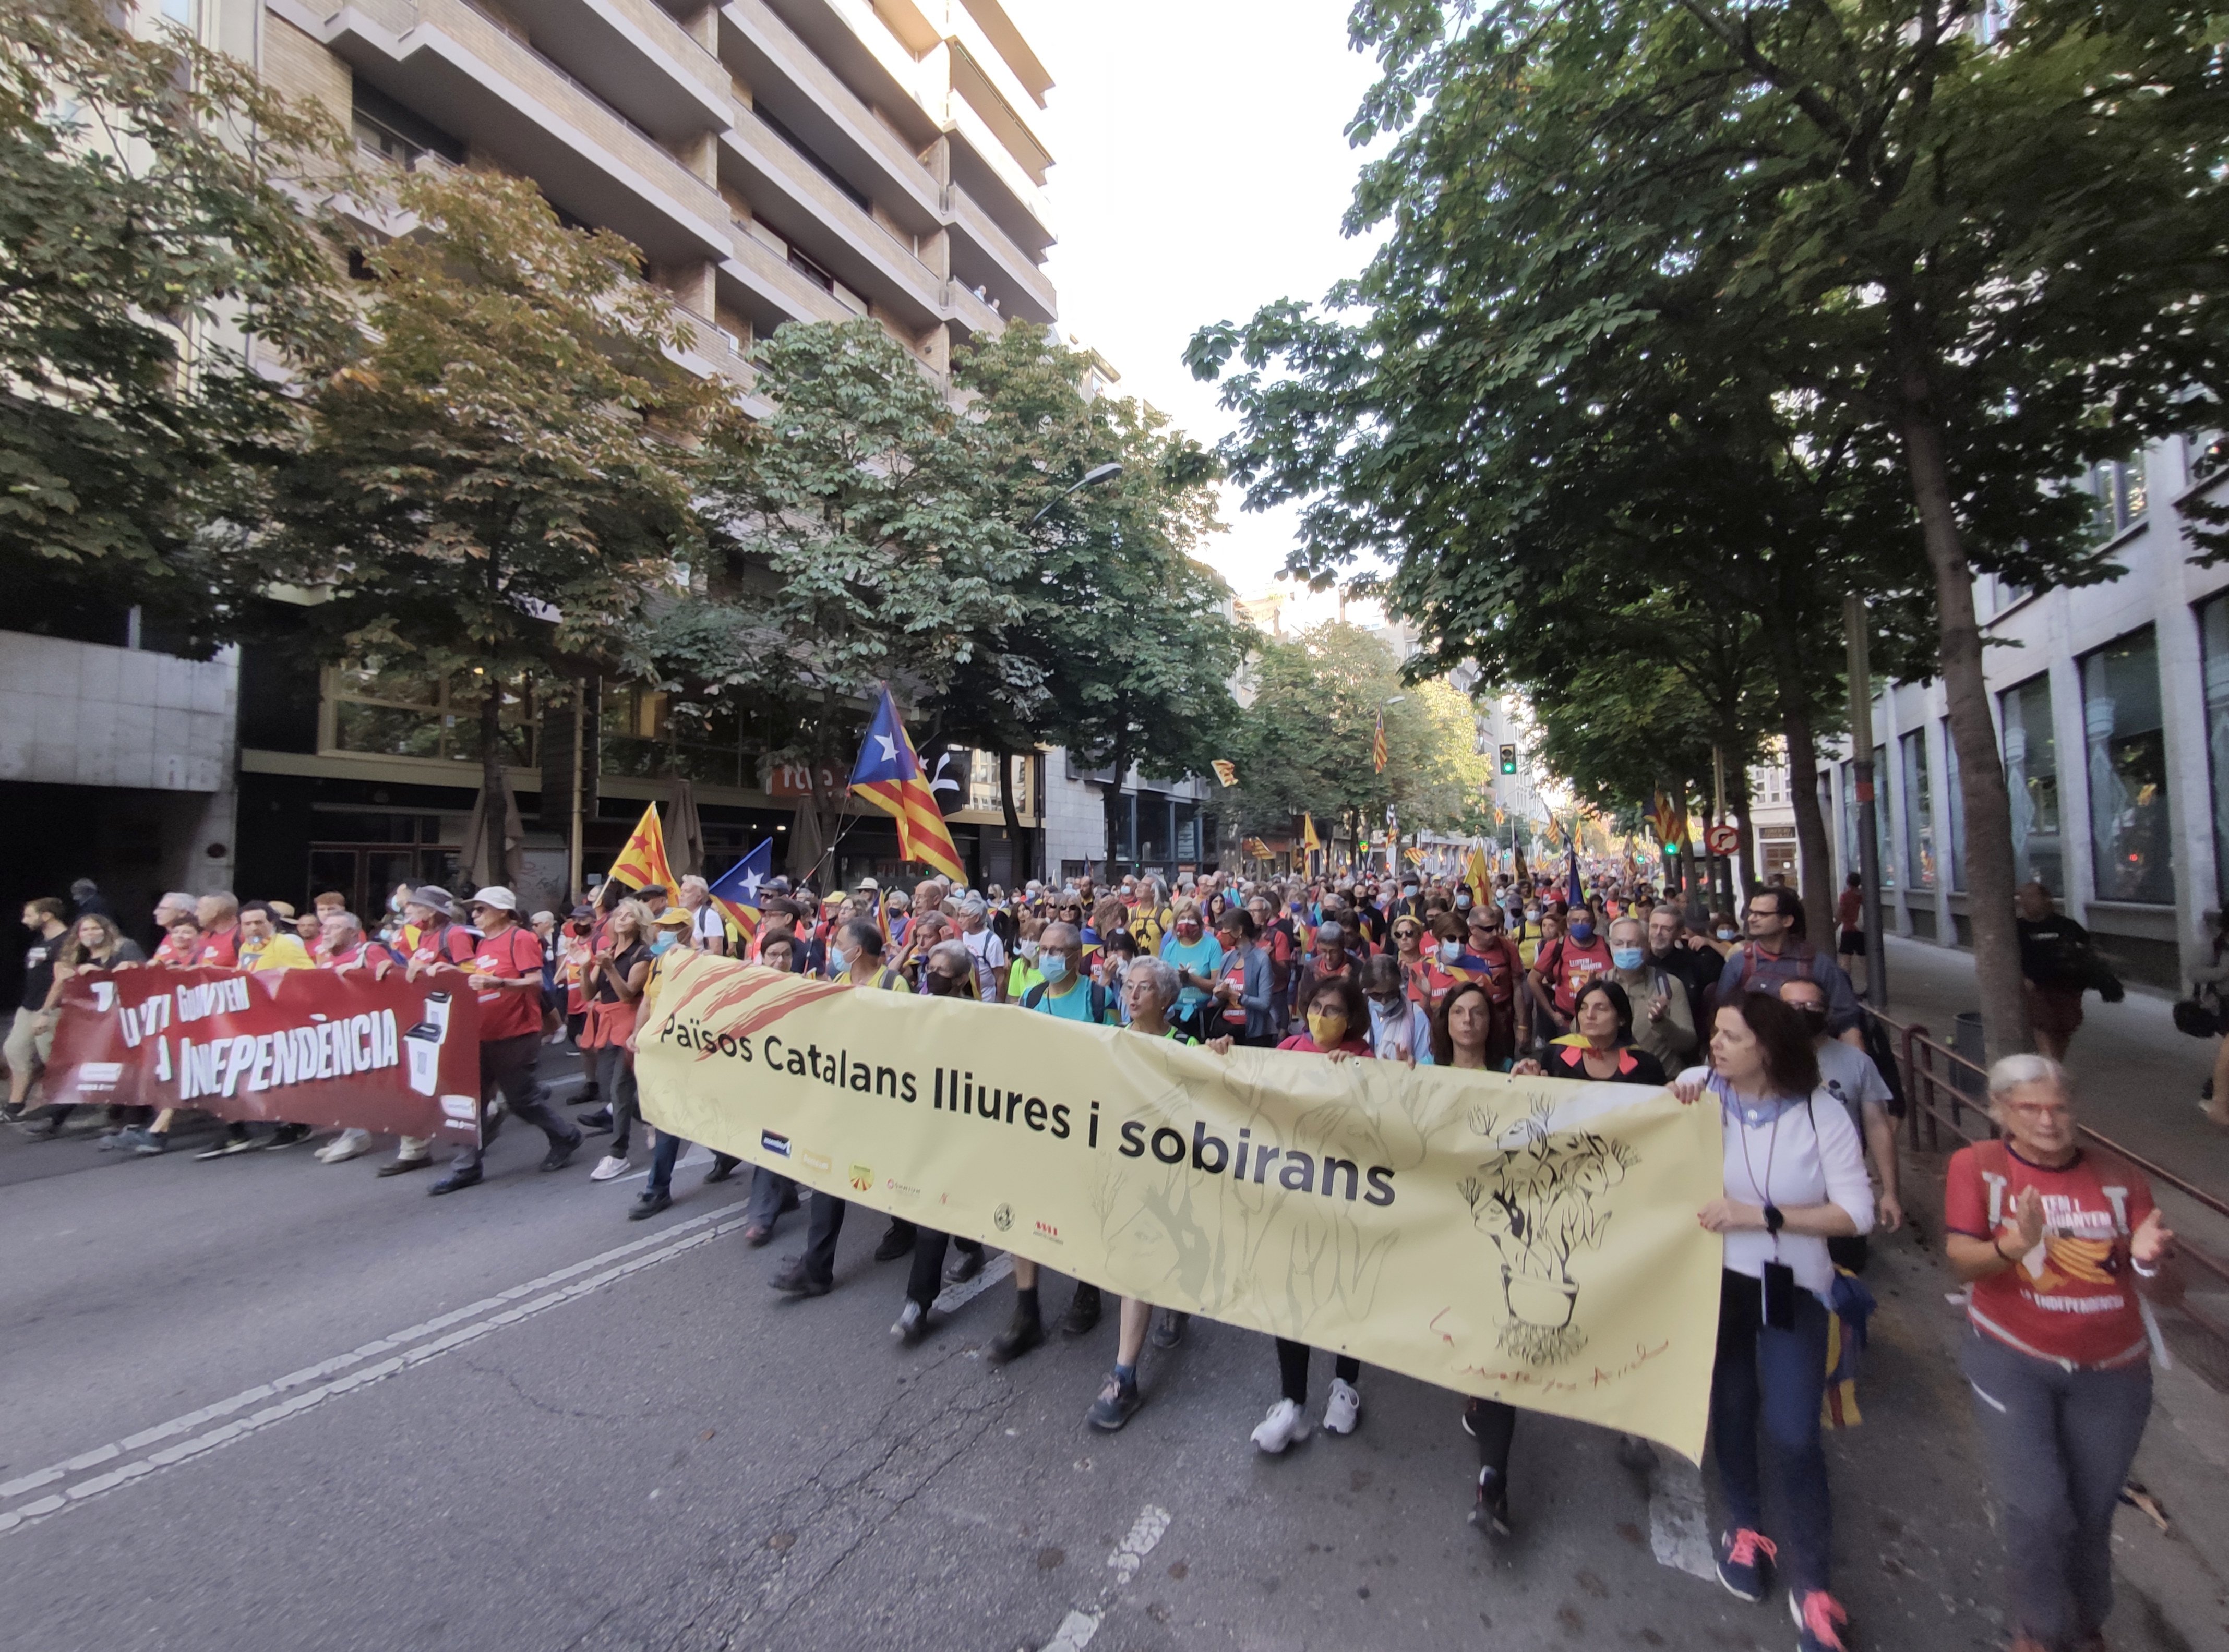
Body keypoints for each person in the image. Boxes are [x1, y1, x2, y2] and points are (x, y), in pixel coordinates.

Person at [1944, 1055, 2173, 1652]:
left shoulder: (2120, 1178)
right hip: (2012, 1357)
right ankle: (2041, 1630)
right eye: (2030, 1108)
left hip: (2114, 1371)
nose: (2048, 1119)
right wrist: (2015, 1244)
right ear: (2002, 1112)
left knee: (2092, 1510)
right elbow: (1962, 1259)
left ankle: (2087, 1621)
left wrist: (2148, 1257)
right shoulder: (1979, 1166)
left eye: (2060, 1106)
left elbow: (2160, 1287)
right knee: (2040, 1505)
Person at [1673, 992, 1872, 1652]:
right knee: (1732, 1408)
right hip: (1717, 1285)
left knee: (1793, 1431)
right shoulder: (1698, 1089)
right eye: (1715, 1035)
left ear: (1767, 1045)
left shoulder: (1823, 1114)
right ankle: (1747, 1527)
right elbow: (1634, 1125)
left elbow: (1855, 1213)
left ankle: (1814, 1583)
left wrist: (1764, 1215)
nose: (1716, 1045)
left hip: (1795, 1290)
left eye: (1730, 1035)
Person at [1252, 971, 1373, 1452]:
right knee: (1291, 1292)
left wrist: (1361, 1078)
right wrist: (1225, 1055)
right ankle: (1292, 1404)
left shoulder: (1365, 1059)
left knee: (1344, 1288)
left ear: (1353, 1020)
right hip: (1292, 1193)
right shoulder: (1285, 1052)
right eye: (1317, 1007)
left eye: (1335, 1010)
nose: (1323, 1017)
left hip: (1345, 1195)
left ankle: (1345, 1386)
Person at [764, 923, 918, 1279]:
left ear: (859, 950)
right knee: (828, 1175)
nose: (834, 948)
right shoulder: (834, 985)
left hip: (882, 1098)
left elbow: (908, 1039)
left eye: (840, 943)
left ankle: (910, 1227)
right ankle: (817, 1267)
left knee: (890, 1169)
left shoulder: (893, 984)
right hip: (841, 1098)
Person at [427, 886, 583, 1196]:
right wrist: (451, 971)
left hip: (515, 1032)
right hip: (483, 1032)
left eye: (481, 909)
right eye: (474, 910)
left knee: (521, 1100)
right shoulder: (485, 943)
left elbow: (535, 982)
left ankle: (564, 1135)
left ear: (502, 911)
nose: (474, 915)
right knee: (474, 1103)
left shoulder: (520, 938)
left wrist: (498, 982)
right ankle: (467, 1166)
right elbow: (474, 975)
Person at [1779, 976, 1903, 1270]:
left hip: (1840, 1196)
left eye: (1811, 1005)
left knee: (1845, 1277)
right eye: (1793, 1005)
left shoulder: (1857, 1062)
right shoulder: (1761, 1058)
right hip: (1784, 1194)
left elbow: (1877, 1127)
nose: (1803, 1012)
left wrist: (1890, 1192)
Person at [28, 913, 146, 1138]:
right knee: (80, 1068)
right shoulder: (77, 955)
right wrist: (45, 1013)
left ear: (106, 930)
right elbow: (60, 983)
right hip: (94, 1024)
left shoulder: (124, 947)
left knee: (128, 1069)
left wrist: (100, 973)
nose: (90, 934)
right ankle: (54, 1118)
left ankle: (124, 1120)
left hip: (128, 1019)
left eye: (95, 929)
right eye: (85, 930)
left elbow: (139, 974)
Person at [1715, 888, 1865, 1046]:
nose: (1752, 919)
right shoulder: (1738, 963)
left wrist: (1857, 1066)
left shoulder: (1819, 965)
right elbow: (1721, 1017)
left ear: (1787, 921)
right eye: (1751, 913)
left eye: (1762, 914)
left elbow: (1848, 1023)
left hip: (1812, 1057)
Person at [582, 900, 653, 1183]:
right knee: (610, 1089)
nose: (621, 919)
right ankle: (652, 1120)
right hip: (608, 1023)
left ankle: (618, 1154)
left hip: (631, 1023)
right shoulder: (608, 951)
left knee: (620, 1087)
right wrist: (584, 968)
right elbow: (589, 994)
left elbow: (627, 995)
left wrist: (610, 969)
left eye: (629, 915)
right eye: (618, 915)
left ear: (639, 923)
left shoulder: (642, 955)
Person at [1513, 979, 1667, 1087]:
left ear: (1621, 1018)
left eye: (1601, 1008)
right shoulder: (1556, 1054)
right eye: (1583, 1008)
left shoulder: (1646, 1065)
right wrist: (1531, 1080)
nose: (1589, 1015)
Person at [2015, 881, 2098, 1063]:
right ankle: (2051, 1068)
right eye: (2022, 897)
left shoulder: (2066, 926)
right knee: (2043, 1026)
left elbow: (2087, 949)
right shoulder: (2018, 928)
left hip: (2067, 988)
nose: (2026, 901)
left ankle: (2055, 1065)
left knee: (2064, 1028)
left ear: (2046, 899)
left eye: (2031, 896)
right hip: (2036, 988)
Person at [5, 899, 69, 1123]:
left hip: (50, 1009)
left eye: (29, 916)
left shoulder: (66, 941)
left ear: (47, 916)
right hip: (28, 1006)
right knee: (15, 1050)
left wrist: (47, 1010)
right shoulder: (41, 940)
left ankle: (57, 1107)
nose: (24, 921)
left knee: (50, 1057)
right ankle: (15, 1106)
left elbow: (61, 980)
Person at [1607, 914, 1696, 1069]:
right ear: (1610, 946)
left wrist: (1662, 1023)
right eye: (1619, 943)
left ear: (1647, 946)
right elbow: (1579, 1034)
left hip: (1661, 1080)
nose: (1625, 950)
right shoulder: (1601, 983)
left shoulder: (1669, 985)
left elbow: (1688, 1043)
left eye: (1633, 944)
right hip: (1614, 1080)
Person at [1528, 898, 1614, 1036]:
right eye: (1575, 921)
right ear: (1568, 924)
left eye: (1586, 920)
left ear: (1594, 923)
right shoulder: (1556, 947)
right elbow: (1533, 979)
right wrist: (1552, 1014)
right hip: (1568, 1023)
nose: (1581, 924)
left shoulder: (1608, 945)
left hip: (1603, 1022)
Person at [1159, 899, 1225, 1041]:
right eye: (1182, 918)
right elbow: (1162, 983)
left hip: (1203, 1014)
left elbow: (1216, 984)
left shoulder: (1212, 945)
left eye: (1191, 919)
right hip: (1175, 1013)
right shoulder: (1170, 948)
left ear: (1200, 922)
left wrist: (1191, 979)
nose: (1186, 923)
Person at [1359, 954, 1432, 1064]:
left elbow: (1426, 1063)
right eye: (1377, 995)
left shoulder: (1417, 1016)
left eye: (1390, 994)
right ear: (1366, 991)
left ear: (1399, 987)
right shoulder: (1356, 1013)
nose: (1384, 1002)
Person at [955, 895, 1010, 1004]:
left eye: (964, 916)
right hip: (965, 999)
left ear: (976, 918)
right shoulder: (964, 935)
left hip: (985, 1001)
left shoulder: (992, 942)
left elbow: (1000, 978)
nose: (960, 920)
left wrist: (1000, 1006)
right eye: (959, 916)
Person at [1834, 872, 1866, 991]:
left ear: (1848, 882)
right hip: (1861, 930)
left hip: (1849, 929)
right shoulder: (1863, 896)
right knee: (1864, 959)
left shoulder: (1846, 896)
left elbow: (1841, 912)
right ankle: (1871, 985)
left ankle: (1846, 986)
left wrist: (1835, 926)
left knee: (1846, 959)